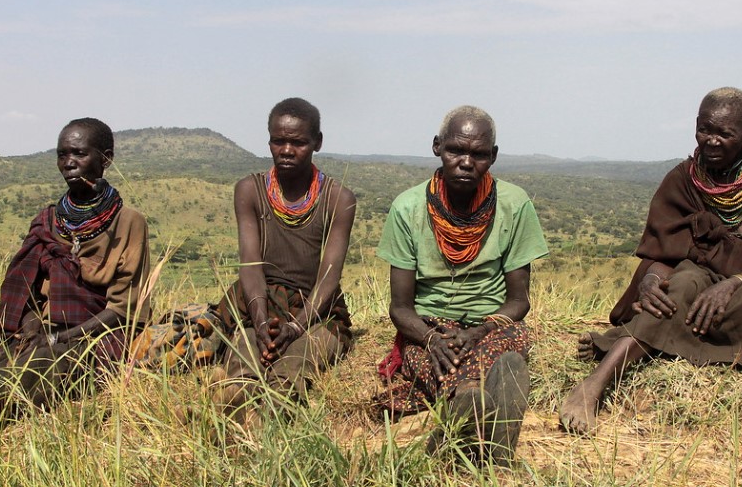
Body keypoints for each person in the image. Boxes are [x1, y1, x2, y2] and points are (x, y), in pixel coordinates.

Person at [559, 87, 742, 435]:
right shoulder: (683, 178)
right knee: (677, 287)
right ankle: (594, 384)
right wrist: (650, 282)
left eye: (724, 134)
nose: (711, 141)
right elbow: (661, 254)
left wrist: (732, 285)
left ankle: (671, 343)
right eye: (704, 129)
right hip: (699, 274)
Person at [375, 105, 548, 465]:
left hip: (491, 325)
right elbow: (401, 307)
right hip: (428, 328)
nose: (466, 162)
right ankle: (483, 417)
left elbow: (519, 301)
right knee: (426, 358)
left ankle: (461, 413)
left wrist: (479, 330)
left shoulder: (515, 205)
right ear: (437, 147)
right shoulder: (407, 208)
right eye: (456, 150)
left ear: (493, 157)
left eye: (479, 154)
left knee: (512, 338)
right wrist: (431, 338)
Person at [0, 118, 151, 425]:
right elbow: (29, 293)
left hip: (96, 335)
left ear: (106, 159)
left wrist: (62, 337)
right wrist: (33, 327)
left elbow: (124, 308)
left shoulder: (128, 222)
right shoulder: (48, 220)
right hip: (45, 331)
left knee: (11, 389)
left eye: (78, 153)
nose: (69, 163)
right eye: (62, 155)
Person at [214, 98, 356, 417]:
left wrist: (296, 327)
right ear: (269, 141)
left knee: (291, 369)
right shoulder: (249, 190)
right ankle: (231, 432)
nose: (287, 150)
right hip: (260, 303)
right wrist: (262, 320)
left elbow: (328, 278)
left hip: (317, 312)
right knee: (246, 355)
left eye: (298, 142)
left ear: (317, 142)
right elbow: (250, 266)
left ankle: (275, 427)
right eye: (279, 141)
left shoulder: (338, 199)